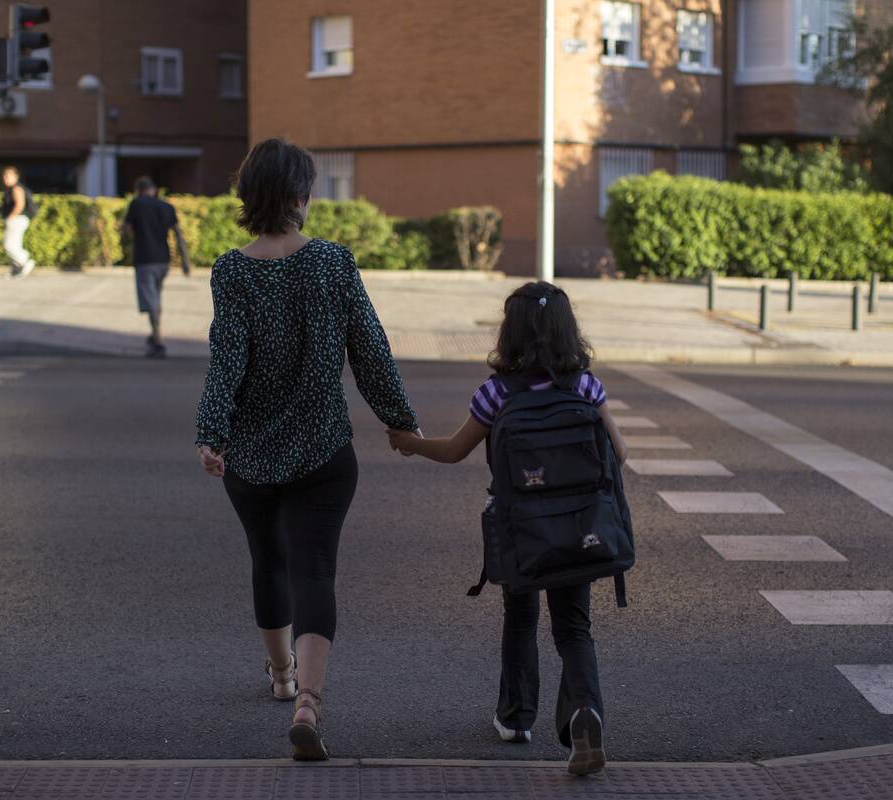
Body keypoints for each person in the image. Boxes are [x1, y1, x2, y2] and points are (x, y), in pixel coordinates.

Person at [194, 138, 421, 761]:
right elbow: (370, 348)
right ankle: (309, 703)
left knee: (268, 562)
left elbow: (227, 358)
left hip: (252, 457)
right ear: (300, 197)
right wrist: (400, 422)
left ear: (248, 198)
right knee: (315, 569)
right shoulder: (332, 262)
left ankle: (281, 676)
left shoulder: (231, 270)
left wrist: (212, 435)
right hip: (324, 452)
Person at [388, 282, 628, 777]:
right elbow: (619, 453)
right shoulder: (585, 386)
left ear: (510, 332)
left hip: (519, 530)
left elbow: (455, 450)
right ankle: (586, 712)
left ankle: (516, 718)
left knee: (520, 618)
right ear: (568, 330)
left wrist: (411, 442)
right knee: (574, 627)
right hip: (579, 527)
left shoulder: (496, 393)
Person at [121, 177, 190, 358]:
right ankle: (154, 334)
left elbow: (126, 230)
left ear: (138, 190)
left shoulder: (136, 204)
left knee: (151, 301)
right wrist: (185, 261)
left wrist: (124, 230)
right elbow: (178, 234)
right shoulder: (166, 207)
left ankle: (158, 341)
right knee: (156, 298)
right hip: (163, 260)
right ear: (154, 189)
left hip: (145, 259)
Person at [1, 166, 36, 277]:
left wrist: (10, 217)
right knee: (15, 245)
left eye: (8, 176)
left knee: (9, 245)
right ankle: (16, 269)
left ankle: (25, 261)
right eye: (4, 176)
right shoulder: (11, 189)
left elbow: (19, 205)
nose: (5, 178)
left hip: (17, 220)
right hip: (17, 219)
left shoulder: (16, 188)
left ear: (15, 177)